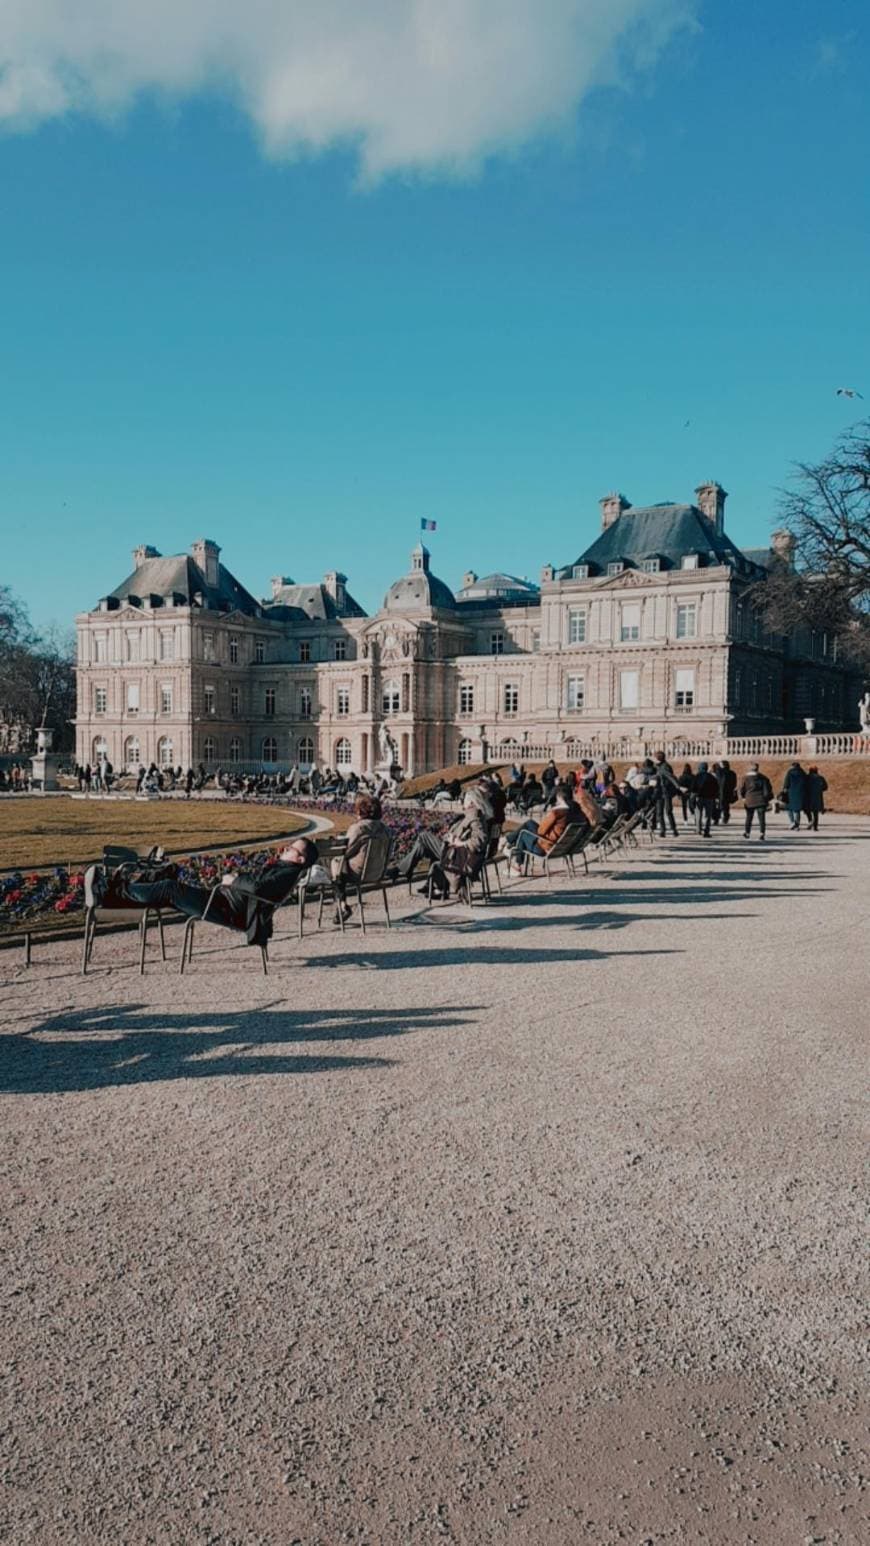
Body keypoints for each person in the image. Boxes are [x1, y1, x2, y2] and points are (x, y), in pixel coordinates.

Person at [124, 837, 319, 947]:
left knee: (170, 888)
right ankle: (116, 893)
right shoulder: (286, 869)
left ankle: (117, 890)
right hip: (224, 901)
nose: (285, 849)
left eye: (291, 848)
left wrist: (234, 880)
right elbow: (258, 885)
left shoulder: (287, 873)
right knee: (168, 886)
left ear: (300, 859)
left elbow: (257, 888)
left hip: (228, 910)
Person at [329, 795, 391, 921]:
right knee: (338, 867)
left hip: (358, 873)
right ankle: (341, 906)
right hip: (378, 873)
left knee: (336, 863)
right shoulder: (386, 830)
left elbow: (346, 852)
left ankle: (342, 905)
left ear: (361, 811)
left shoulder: (359, 828)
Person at [504, 782, 579, 872]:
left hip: (546, 847)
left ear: (559, 797)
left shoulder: (556, 812)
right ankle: (508, 841)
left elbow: (541, 832)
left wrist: (548, 815)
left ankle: (517, 865)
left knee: (523, 834)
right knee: (529, 823)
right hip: (562, 846)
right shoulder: (575, 810)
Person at [740, 762, 773, 841]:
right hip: (761, 800)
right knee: (761, 818)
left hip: (749, 800)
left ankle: (747, 833)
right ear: (758, 768)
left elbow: (742, 789)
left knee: (749, 817)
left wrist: (743, 798)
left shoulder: (745, 778)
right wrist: (766, 799)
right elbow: (767, 790)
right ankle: (762, 833)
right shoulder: (763, 778)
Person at [693, 762, 719, 837]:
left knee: (698, 814)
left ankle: (698, 829)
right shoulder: (712, 777)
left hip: (699, 797)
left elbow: (693, 788)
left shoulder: (697, 776)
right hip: (709, 798)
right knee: (708, 815)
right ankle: (706, 832)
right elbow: (716, 788)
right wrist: (715, 797)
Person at [782, 761, 807, 831]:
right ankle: (797, 825)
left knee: (789, 808)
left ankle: (792, 822)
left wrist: (784, 788)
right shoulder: (803, 773)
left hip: (791, 792)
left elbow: (786, 782)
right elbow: (806, 783)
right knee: (797, 810)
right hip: (800, 793)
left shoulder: (790, 772)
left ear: (792, 766)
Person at [803, 765, 828, 831]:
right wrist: (819, 789)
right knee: (815, 812)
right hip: (817, 796)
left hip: (808, 796)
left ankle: (810, 821)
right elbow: (825, 787)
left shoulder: (807, 778)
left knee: (807, 810)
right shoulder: (820, 778)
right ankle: (815, 827)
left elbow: (803, 786)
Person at [716, 759, 738, 825]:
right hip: (727, 791)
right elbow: (734, 783)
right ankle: (725, 818)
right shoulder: (732, 773)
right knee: (725, 805)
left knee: (719, 805)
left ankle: (718, 819)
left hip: (720, 791)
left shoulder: (719, 772)